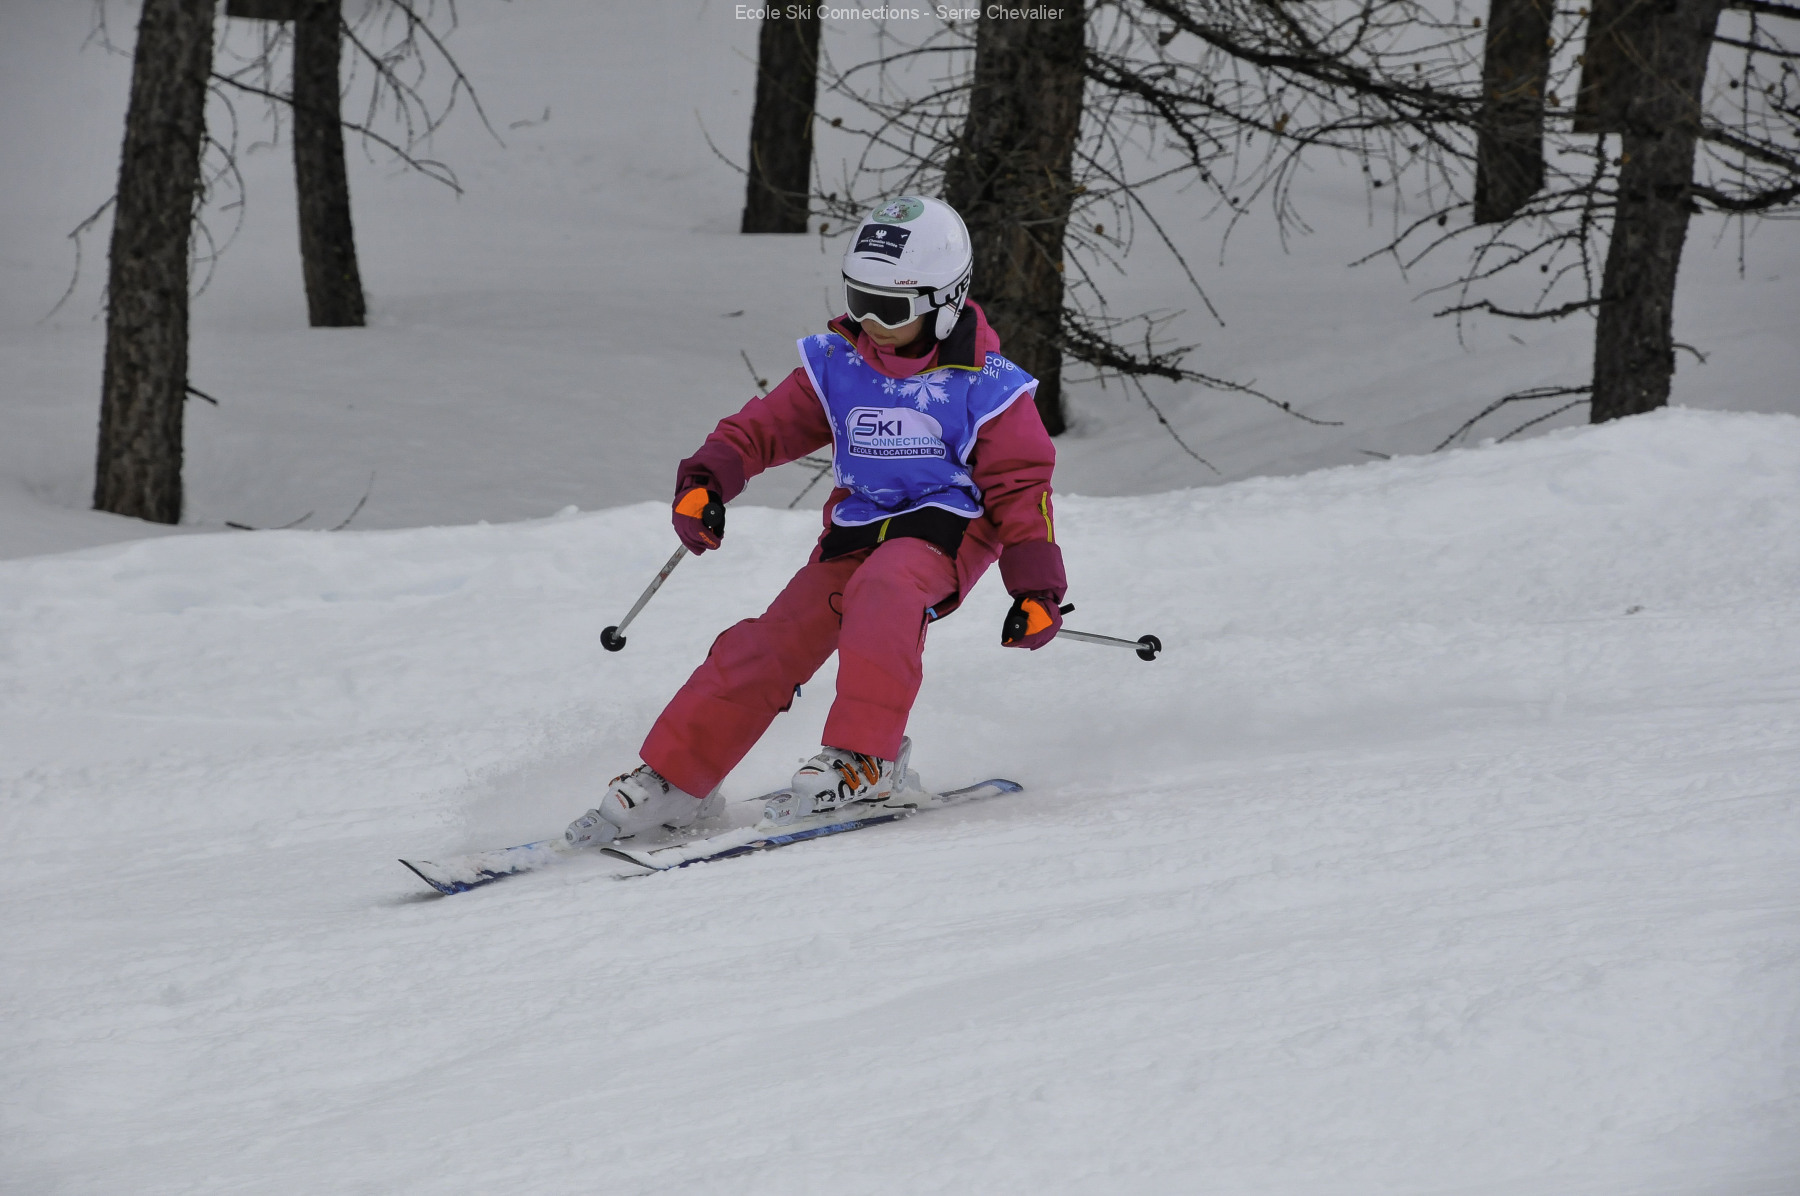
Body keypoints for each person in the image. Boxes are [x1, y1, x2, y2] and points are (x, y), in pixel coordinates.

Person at [566, 196, 1067, 848]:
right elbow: (760, 430)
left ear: (946, 300)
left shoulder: (987, 386)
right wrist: (706, 482)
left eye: (891, 309)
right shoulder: (839, 364)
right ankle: (678, 779)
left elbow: (1022, 488)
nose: (871, 323)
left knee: (885, 588)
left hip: (948, 531)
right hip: (857, 531)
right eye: (859, 300)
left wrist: (1035, 588)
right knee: (770, 639)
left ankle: (867, 759)